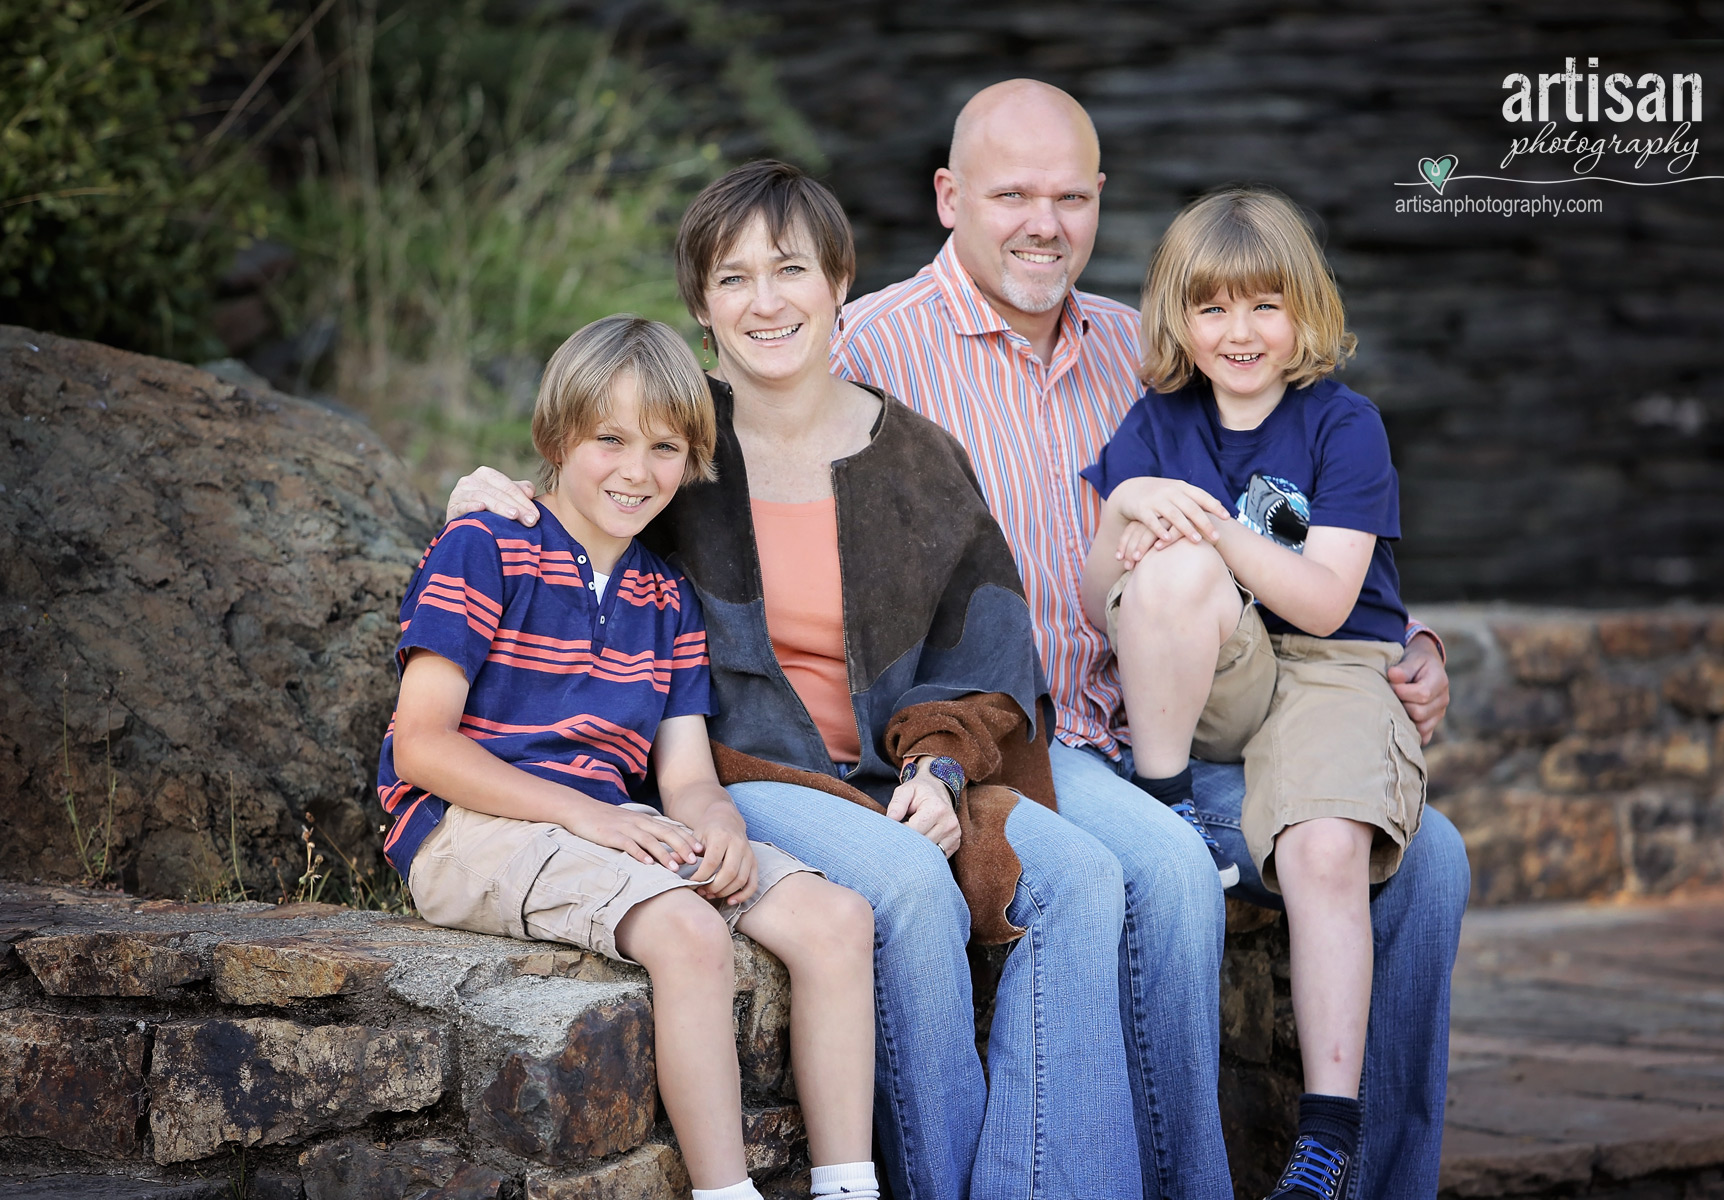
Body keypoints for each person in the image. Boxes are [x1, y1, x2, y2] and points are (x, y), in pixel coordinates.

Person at [450, 81, 1467, 1199]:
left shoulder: (1155, 352)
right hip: (1015, 740)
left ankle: (1369, 1183)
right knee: (1154, 872)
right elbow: (610, 462)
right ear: (947, 198)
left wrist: (1395, 636)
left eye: (1068, 196)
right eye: (1012, 193)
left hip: (1137, 715)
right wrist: (493, 488)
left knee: (1429, 862)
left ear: (1099, 204)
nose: (1043, 221)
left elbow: (1286, 497)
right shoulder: (858, 347)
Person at [382, 315, 881, 1200]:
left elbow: (684, 773)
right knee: (688, 932)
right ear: (556, 435)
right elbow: (421, 745)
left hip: (608, 829)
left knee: (837, 922)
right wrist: (588, 814)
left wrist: (719, 823)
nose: (635, 470)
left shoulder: (667, 598)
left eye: (663, 448)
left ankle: (850, 1187)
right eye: (608, 439)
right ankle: (726, 1194)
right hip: (472, 828)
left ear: (690, 460)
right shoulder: (487, 545)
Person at [1081, 185, 1427, 1200]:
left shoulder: (1344, 424)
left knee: (1326, 848)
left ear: (1305, 311)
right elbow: (1105, 598)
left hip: (1332, 667)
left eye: (1264, 305)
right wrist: (1130, 512)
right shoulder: (1156, 423)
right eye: (1213, 308)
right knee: (1169, 571)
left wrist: (1215, 529)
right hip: (1218, 675)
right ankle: (1168, 805)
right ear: (1179, 319)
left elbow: (1324, 603)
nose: (1239, 331)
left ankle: (1326, 1138)